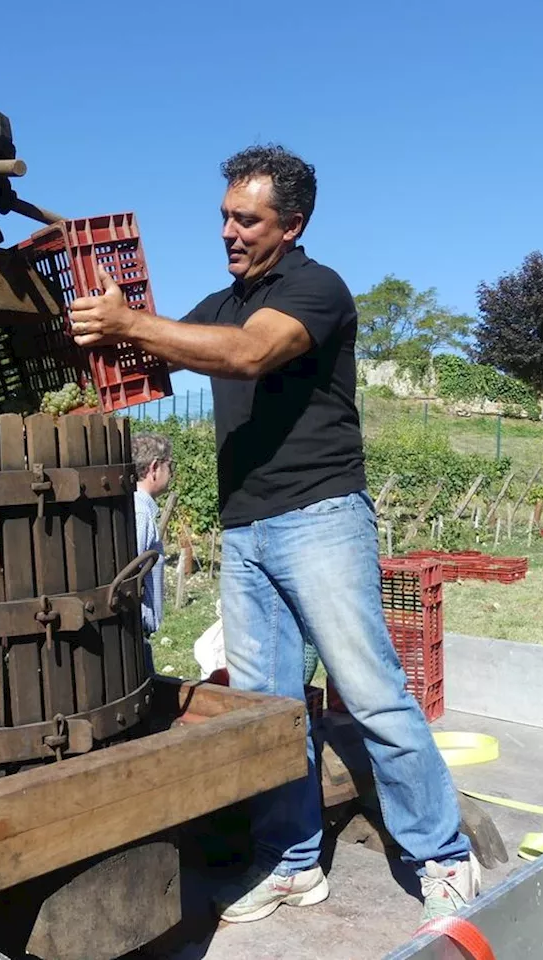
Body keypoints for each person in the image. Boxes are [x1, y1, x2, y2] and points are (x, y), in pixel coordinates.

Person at [67, 144, 477, 924]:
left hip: (320, 520)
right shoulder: (222, 305)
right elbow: (155, 345)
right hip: (246, 533)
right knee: (268, 708)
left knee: (372, 694)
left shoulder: (315, 290)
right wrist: (108, 321)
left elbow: (251, 354)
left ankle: (443, 857)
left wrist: (134, 323)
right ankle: (292, 862)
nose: (228, 230)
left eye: (246, 219)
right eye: (224, 215)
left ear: (292, 225)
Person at [131, 433, 173, 674]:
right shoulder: (140, 513)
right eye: (170, 466)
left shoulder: (139, 508)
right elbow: (130, 570)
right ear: (154, 467)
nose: (172, 473)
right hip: (135, 636)